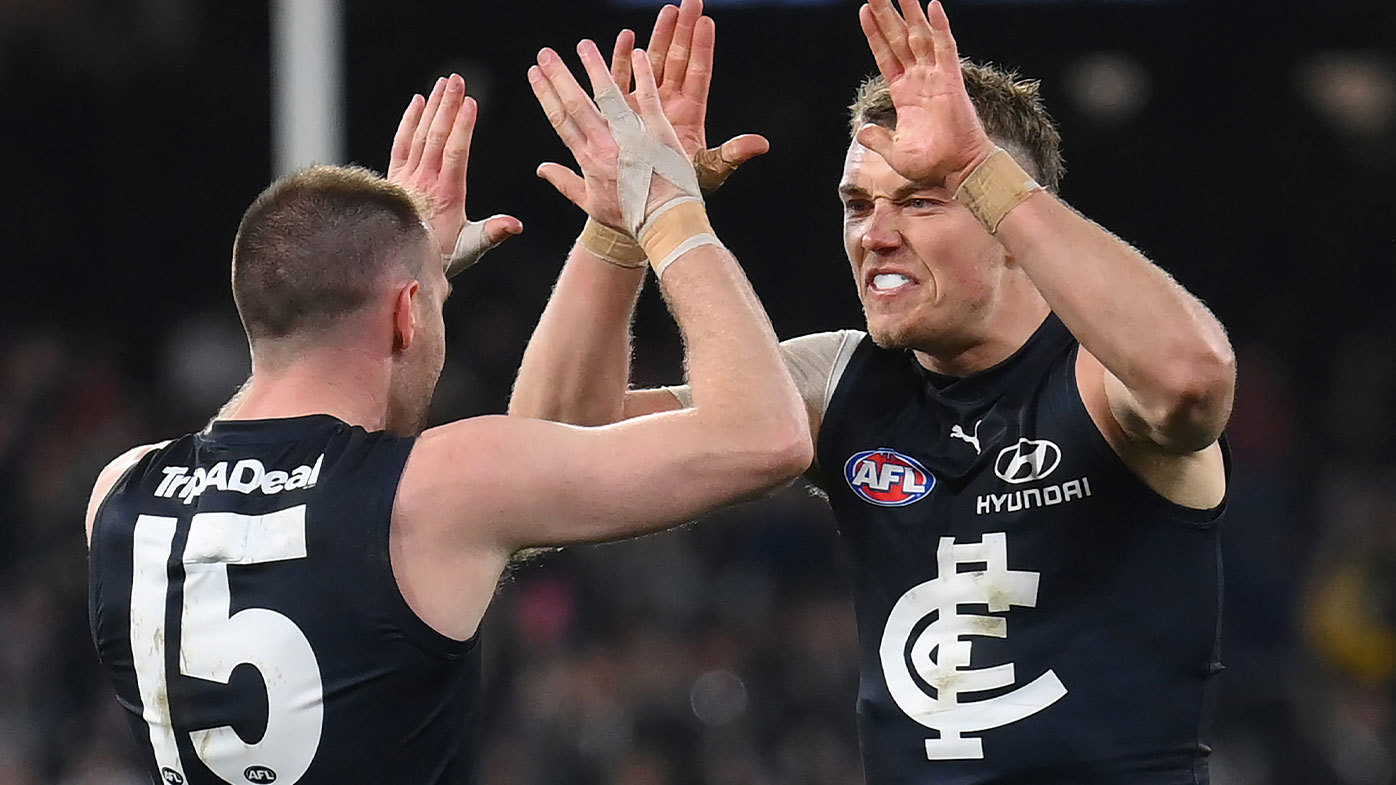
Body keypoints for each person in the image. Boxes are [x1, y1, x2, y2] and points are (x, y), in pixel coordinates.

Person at [510, 0, 1237, 781]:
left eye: (923, 199)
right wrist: (618, 229)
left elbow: (1191, 377)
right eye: (858, 205)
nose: (875, 235)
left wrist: (974, 166)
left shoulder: (1098, 377)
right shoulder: (839, 382)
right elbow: (555, 458)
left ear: (1008, 214)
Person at [85, 44, 810, 785]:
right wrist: (665, 209)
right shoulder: (436, 490)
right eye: (437, 300)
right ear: (405, 314)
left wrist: (394, 272)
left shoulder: (120, 493)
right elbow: (767, 435)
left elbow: (279, 445)